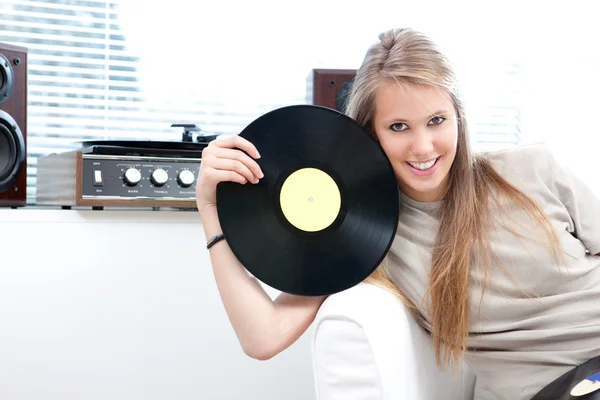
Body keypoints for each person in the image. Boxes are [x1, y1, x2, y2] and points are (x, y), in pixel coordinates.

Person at [194, 27, 600, 400]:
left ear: (458, 118)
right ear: (370, 132)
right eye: (399, 127)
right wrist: (212, 212)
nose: (423, 147)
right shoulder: (366, 236)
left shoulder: (533, 168)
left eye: (436, 121)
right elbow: (263, 337)